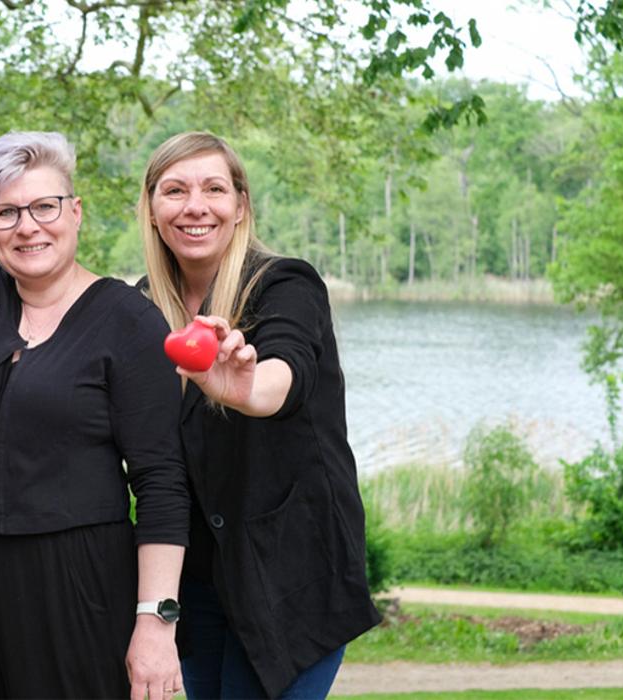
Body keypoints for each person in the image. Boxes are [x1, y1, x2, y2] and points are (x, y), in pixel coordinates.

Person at [0, 131, 190, 699]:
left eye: (44, 206)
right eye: (6, 212)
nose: (27, 226)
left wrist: (155, 623)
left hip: (78, 578)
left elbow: (161, 484)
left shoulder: (129, 321)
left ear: (75, 212)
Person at [136, 131, 382, 699]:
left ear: (241, 204)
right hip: (198, 584)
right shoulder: (145, 306)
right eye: (174, 190)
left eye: (214, 189)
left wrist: (244, 389)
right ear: (151, 210)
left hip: (290, 577)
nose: (195, 206)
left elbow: (280, 379)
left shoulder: (286, 284)